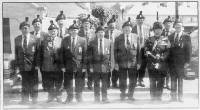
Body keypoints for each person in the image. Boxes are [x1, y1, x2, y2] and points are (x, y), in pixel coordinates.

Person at [61, 20, 87, 103]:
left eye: (75, 30)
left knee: (79, 82)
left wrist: (84, 66)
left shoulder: (83, 40)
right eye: (72, 30)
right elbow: (61, 54)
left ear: (78, 31)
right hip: (68, 65)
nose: (73, 32)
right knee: (68, 82)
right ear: (69, 31)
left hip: (79, 65)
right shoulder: (65, 40)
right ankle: (69, 97)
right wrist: (62, 66)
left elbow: (85, 55)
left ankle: (79, 97)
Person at [15, 17, 40, 104]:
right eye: (23, 28)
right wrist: (18, 66)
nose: (25, 30)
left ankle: (34, 99)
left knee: (34, 83)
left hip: (33, 65)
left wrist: (37, 65)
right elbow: (16, 53)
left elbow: (38, 53)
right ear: (20, 29)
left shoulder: (35, 38)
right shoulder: (17, 39)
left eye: (27, 28)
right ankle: (25, 99)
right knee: (24, 83)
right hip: (22, 65)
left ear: (29, 29)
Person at [37, 20, 63, 103]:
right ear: (48, 32)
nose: (53, 32)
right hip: (47, 65)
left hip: (58, 66)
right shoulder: (44, 41)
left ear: (57, 31)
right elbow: (40, 54)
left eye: (54, 31)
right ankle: (51, 96)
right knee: (49, 82)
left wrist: (63, 65)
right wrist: (40, 65)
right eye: (51, 31)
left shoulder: (61, 41)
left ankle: (58, 96)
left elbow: (64, 54)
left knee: (59, 81)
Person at [144, 21, 170, 101]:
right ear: (153, 30)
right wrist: (154, 57)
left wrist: (161, 57)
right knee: (152, 81)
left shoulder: (165, 39)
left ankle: (159, 97)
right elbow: (146, 51)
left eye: (160, 29)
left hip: (162, 63)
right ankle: (152, 97)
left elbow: (167, 51)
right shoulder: (149, 39)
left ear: (162, 30)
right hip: (152, 63)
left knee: (161, 81)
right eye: (156, 29)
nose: (158, 31)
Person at [114, 17, 138, 101]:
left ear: (131, 29)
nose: (127, 29)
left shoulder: (136, 37)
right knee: (122, 80)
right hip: (122, 62)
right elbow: (115, 52)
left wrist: (139, 63)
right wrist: (116, 63)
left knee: (133, 80)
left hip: (133, 63)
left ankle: (131, 94)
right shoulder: (118, 38)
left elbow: (139, 51)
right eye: (125, 28)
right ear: (123, 29)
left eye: (129, 28)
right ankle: (123, 94)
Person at [168, 19, 192, 102]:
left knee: (180, 80)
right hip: (172, 62)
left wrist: (187, 62)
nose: (178, 28)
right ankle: (173, 97)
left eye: (180, 26)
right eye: (176, 26)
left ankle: (180, 97)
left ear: (182, 28)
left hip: (181, 63)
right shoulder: (170, 36)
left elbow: (189, 50)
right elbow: (169, 50)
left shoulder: (187, 36)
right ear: (174, 27)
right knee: (173, 80)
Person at [88, 25, 111, 103]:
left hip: (105, 66)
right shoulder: (92, 42)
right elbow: (89, 56)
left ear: (104, 33)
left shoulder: (109, 41)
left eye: (102, 32)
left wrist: (110, 65)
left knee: (105, 83)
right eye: (99, 32)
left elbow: (111, 55)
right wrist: (90, 66)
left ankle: (104, 98)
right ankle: (97, 98)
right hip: (95, 65)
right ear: (96, 34)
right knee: (96, 83)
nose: (101, 34)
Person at [132, 11, 151, 87]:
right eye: (138, 20)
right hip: (136, 49)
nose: (140, 21)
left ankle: (141, 80)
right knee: (136, 64)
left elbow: (149, 39)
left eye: (141, 20)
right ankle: (136, 80)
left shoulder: (147, 28)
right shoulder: (133, 28)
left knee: (143, 65)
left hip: (144, 49)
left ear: (143, 20)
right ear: (136, 21)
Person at [31, 14, 49, 91]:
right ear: (33, 25)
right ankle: (34, 88)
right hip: (32, 58)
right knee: (33, 73)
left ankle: (46, 86)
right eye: (35, 24)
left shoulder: (45, 35)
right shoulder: (30, 34)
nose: (37, 25)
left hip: (43, 58)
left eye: (38, 24)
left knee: (44, 73)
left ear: (41, 25)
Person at [78, 14, 95, 90]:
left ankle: (90, 85)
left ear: (90, 25)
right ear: (82, 25)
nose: (86, 25)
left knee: (91, 71)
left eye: (88, 24)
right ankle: (81, 85)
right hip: (82, 55)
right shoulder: (78, 33)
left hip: (91, 55)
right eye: (85, 24)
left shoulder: (94, 33)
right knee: (82, 70)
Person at [105, 15, 121, 88]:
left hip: (116, 52)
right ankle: (107, 82)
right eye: (110, 25)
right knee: (107, 67)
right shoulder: (104, 33)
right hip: (107, 52)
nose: (112, 27)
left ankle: (114, 82)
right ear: (108, 25)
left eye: (113, 25)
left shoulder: (119, 33)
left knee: (116, 67)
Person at [161, 16, 175, 90]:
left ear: (171, 24)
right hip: (163, 53)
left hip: (172, 54)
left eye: (169, 24)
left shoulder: (174, 32)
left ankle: (168, 83)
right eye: (166, 24)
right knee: (163, 68)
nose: (168, 25)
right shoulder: (161, 32)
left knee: (170, 69)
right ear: (164, 24)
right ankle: (163, 83)